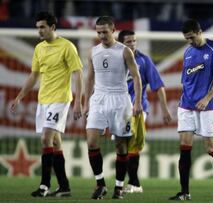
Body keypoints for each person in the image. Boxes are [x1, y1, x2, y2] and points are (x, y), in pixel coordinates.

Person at [9, 11, 83, 197]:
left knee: (45, 138)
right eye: (38, 28)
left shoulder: (67, 47)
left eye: (42, 27)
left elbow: (78, 74)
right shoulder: (39, 49)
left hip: (60, 99)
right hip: (44, 100)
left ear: (52, 27)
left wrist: (79, 102)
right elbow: (34, 75)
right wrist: (19, 96)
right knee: (56, 143)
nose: (39, 31)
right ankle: (64, 187)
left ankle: (44, 185)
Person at [169, 19, 213, 201]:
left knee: (210, 147)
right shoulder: (188, 52)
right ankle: (184, 192)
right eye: (186, 39)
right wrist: (184, 101)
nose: (189, 41)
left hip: (208, 106)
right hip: (187, 105)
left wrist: (206, 98)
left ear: (199, 32)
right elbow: (186, 81)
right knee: (184, 147)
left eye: (191, 37)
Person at [83, 16, 142, 200]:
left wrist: (138, 102)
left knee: (120, 145)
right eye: (98, 32)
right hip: (98, 99)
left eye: (105, 32)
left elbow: (136, 77)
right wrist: (86, 102)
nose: (101, 35)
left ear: (113, 30)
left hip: (120, 100)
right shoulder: (93, 51)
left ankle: (118, 186)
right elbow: (90, 77)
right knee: (92, 141)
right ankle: (100, 184)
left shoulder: (124, 51)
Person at [118, 29, 172, 194]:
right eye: (129, 42)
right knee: (121, 146)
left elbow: (158, 86)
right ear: (121, 43)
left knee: (133, 143)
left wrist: (164, 109)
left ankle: (134, 184)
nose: (133, 44)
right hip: (118, 107)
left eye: (134, 41)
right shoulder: (114, 59)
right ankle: (131, 183)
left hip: (138, 107)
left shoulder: (144, 60)